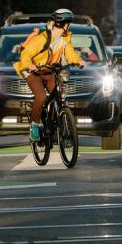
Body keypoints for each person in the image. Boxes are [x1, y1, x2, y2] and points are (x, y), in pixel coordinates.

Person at [14, 9, 85, 143]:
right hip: (33, 72)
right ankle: (34, 125)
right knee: (41, 97)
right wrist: (30, 65)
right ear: (62, 24)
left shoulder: (65, 38)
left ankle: (54, 124)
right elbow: (26, 54)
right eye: (68, 23)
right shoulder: (43, 37)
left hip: (48, 70)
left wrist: (78, 61)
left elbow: (70, 53)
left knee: (58, 95)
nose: (69, 26)